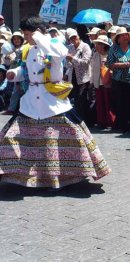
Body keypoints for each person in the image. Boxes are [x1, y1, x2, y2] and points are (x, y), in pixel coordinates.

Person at [0, 16, 110, 188]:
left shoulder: (55, 44)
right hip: (30, 102)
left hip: (52, 101)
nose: (26, 37)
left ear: (36, 33)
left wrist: (38, 37)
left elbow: (59, 54)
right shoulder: (28, 49)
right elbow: (26, 70)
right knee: (12, 136)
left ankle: (70, 174)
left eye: (27, 34)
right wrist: (14, 74)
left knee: (70, 135)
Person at [106, 27, 130, 132]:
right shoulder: (114, 49)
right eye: (122, 35)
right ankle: (122, 125)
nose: (125, 37)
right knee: (120, 103)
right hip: (119, 81)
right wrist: (123, 65)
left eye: (126, 35)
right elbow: (110, 64)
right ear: (118, 38)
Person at [65, 29, 95, 127]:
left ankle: (87, 121)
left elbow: (86, 62)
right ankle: (79, 120)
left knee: (83, 99)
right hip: (73, 77)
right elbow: (67, 64)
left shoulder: (85, 46)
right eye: (71, 38)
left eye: (75, 37)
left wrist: (72, 59)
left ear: (78, 37)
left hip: (83, 77)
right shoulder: (70, 47)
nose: (74, 39)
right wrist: (67, 71)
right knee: (77, 99)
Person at [90, 35, 115, 129]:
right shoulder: (95, 55)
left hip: (108, 83)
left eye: (99, 44)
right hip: (98, 82)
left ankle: (111, 122)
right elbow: (92, 69)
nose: (96, 46)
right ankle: (101, 122)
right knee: (100, 104)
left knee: (109, 103)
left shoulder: (110, 54)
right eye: (96, 44)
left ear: (104, 45)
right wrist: (91, 81)